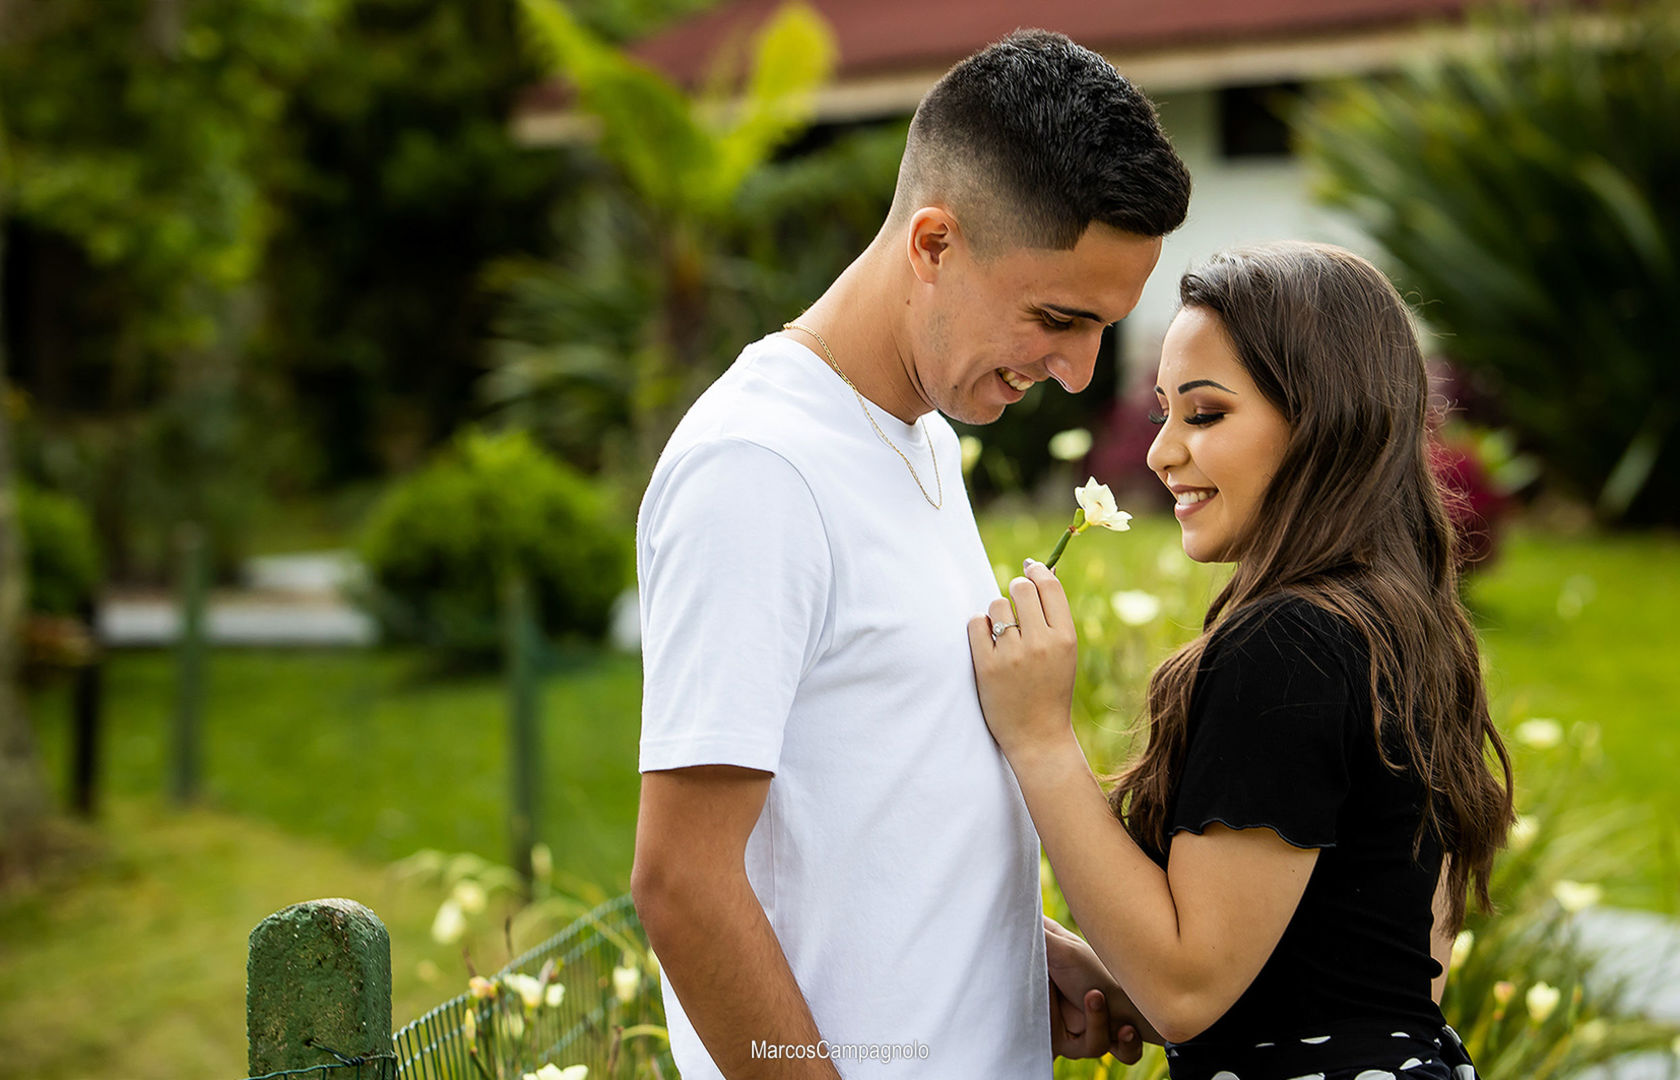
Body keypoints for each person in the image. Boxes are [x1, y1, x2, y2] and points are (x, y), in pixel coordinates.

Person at [631, 29, 1191, 1080]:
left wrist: (1022, 961)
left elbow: (876, 803)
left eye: (1102, 329)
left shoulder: (919, 432)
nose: (1078, 373)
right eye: (1058, 318)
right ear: (933, 244)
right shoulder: (759, 468)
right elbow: (682, 886)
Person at [971, 242, 1517, 1080]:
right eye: (1163, 412)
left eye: (1205, 414)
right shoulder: (1399, 633)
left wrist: (1041, 736)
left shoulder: (1288, 648)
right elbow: (1378, 975)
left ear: (1325, 421)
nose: (1160, 453)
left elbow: (1188, 989)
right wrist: (1115, 978)